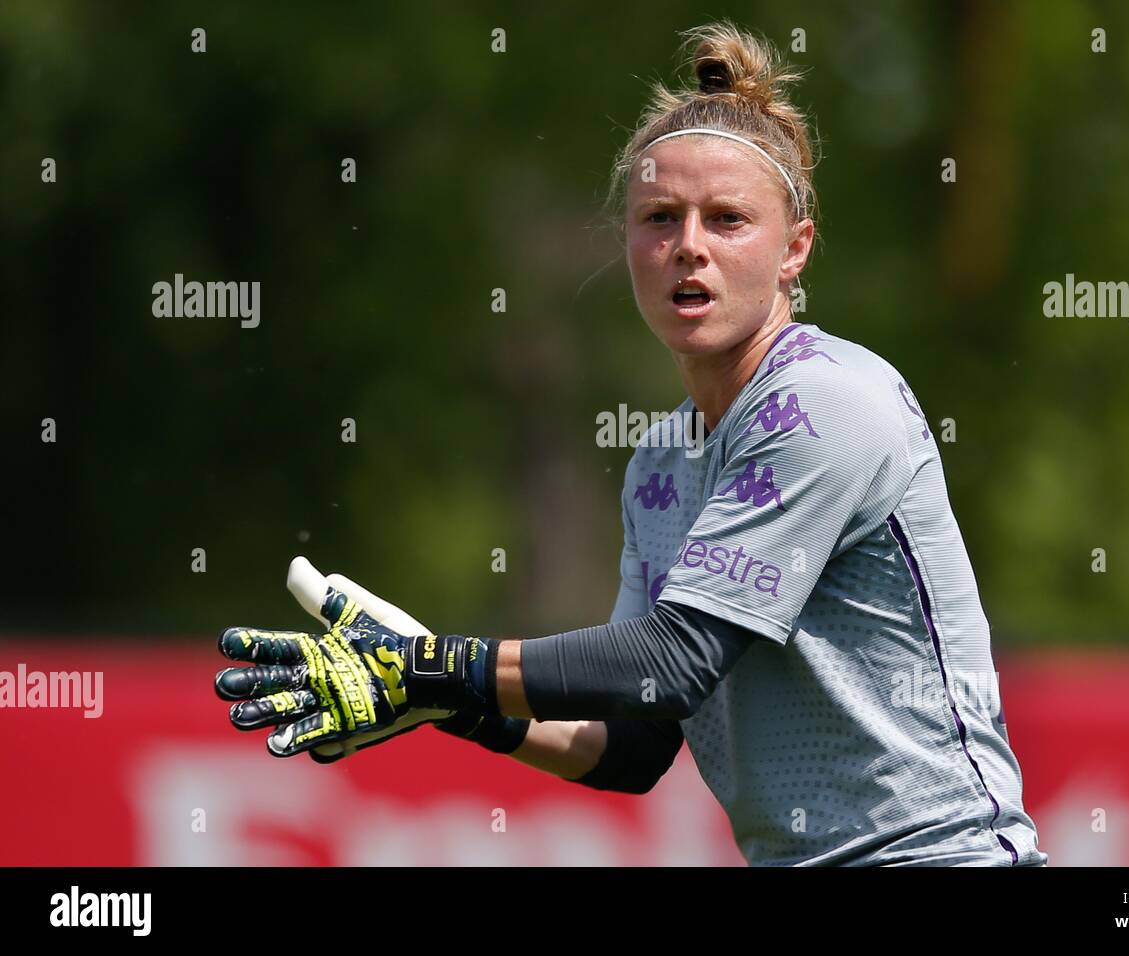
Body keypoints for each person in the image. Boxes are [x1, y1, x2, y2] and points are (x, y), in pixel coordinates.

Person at [214, 21, 1046, 867]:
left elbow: (674, 658)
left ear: (794, 248)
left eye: (727, 219)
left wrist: (430, 666)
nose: (689, 245)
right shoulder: (659, 462)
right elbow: (634, 743)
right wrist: (453, 703)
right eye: (660, 217)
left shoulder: (826, 400)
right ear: (627, 244)